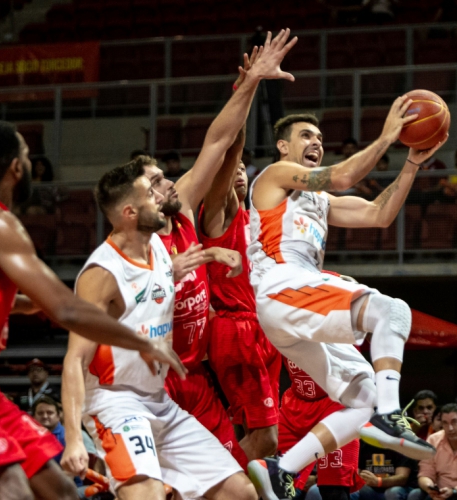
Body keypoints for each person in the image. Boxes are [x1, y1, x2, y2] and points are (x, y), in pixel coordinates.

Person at [246, 99, 447, 499]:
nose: (316, 142)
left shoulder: (320, 201)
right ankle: (391, 415)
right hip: (282, 283)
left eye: (320, 137)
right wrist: (389, 134)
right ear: (283, 146)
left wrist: (411, 163)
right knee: (392, 311)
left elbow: (378, 214)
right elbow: (340, 176)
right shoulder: (276, 175)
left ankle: (280, 470)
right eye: (306, 135)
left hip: (289, 306)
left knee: (363, 400)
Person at [0, 120, 184, 500]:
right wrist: (139, 341)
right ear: (16, 168)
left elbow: (5, 298)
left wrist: (23, 305)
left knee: (60, 490)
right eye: (26, 153)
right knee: (12, 490)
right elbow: (68, 311)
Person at [60, 161, 255, 500]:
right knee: (146, 495)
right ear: (130, 212)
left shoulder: (159, 249)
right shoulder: (102, 273)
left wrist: (211, 254)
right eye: (150, 194)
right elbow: (74, 361)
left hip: (158, 400)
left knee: (240, 493)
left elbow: (160, 280)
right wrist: (75, 439)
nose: (160, 197)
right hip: (114, 402)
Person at [143, 32, 296, 464]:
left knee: (230, 475)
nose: (170, 183)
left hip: (197, 373)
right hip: (154, 376)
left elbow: (219, 142)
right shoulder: (126, 252)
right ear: (133, 207)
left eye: (165, 177)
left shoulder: (184, 211)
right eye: (156, 183)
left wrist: (247, 86)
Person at [199, 127, 281, 459]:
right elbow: (229, 148)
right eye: (230, 170)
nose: (237, 173)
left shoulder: (255, 222)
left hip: (264, 329)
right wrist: (248, 88)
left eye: (242, 169)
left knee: (260, 445)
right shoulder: (218, 216)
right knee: (267, 440)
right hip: (237, 330)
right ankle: (205, 489)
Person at [279, 356, 364, 500]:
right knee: (276, 483)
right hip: (294, 407)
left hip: (335, 403)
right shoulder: (277, 334)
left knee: (333, 489)